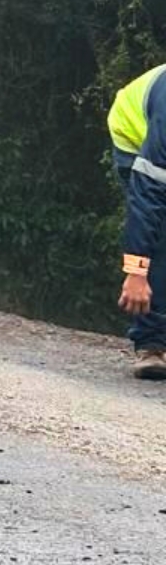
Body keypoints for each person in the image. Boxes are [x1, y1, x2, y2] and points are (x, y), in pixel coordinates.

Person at [108, 62, 166, 379]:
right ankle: (152, 344)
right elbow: (147, 200)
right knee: (160, 234)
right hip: (133, 136)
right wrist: (136, 273)